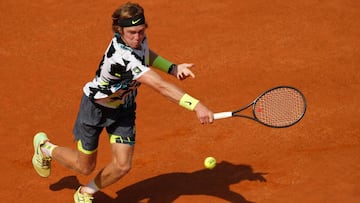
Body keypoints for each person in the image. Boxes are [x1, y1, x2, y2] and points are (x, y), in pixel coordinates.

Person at [32, 2, 213, 203]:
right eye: (131, 33)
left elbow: (146, 53)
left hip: (124, 109)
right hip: (95, 109)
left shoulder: (138, 41)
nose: (137, 38)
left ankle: (85, 192)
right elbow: (160, 86)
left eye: (141, 31)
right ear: (119, 30)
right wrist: (196, 105)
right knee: (84, 167)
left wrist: (173, 67)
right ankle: (44, 148)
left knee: (122, 165)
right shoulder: (122, 57)